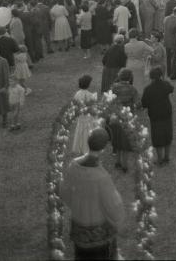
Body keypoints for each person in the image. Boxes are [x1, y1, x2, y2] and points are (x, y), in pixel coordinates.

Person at [60, 128, 125, 261]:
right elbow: (113, 204)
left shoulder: (73, 166)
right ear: (104, 148)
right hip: (99, 233)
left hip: (79, 227)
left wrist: (77, 205)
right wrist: (118, 220)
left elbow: (64, 191)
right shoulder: (101, 176)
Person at [141, 66, 174, 165]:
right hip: (166, 113)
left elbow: (144, 103)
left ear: (151, 77)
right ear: (161, 76)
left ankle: (160, 159)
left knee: (157, 137)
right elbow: (171, 89)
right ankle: (167, 157)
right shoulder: (165, 85)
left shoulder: (148, 89)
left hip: (155, 115)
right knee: (167, 135)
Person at [110, 68, 139, 172]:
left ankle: (117, 162)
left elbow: (109, 101)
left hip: (115, 117)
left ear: (119, 77)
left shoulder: (114, 87)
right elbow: (138, 103)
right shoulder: (132, 89)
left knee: (117, 140)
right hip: (127, 118)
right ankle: (125, 165)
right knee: (125, 142)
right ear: (130, 78)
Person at [72, 75, 99, 155]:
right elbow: (93, 108)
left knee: (80, 131)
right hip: (88, 117)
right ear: (88, 84)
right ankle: (86, 149)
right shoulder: (91, 95)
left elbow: (75, 105)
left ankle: (78, 148)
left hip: (81, 117)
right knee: (87, 133)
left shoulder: (77, 94)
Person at [124, 28, 153, 96]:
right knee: (139, 83)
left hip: (129, 65)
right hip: (140, 65)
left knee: (129, 82)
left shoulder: (126, 46)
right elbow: (152, 50)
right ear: (137, 36)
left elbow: (125, 55)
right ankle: (139, 97)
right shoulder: (142, 44)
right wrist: (147, 56)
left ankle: (130, 96)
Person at [163, 6, 176, 80]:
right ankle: (173, 75)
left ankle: (169, 73)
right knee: (174, 59)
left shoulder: (166, 18)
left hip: (166, 40)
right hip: (174, 42)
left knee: (168, 58)